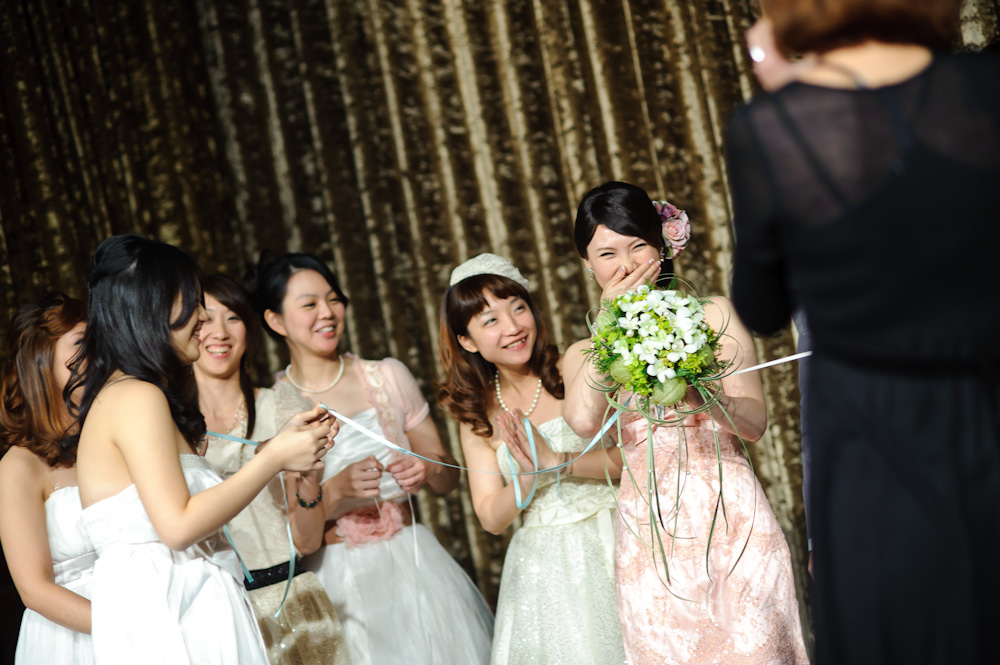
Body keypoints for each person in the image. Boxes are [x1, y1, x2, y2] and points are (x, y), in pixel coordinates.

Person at [728, 2, 1000, 663]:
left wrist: (780, 89)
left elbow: (761, 307)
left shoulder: (773, 127)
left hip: (869, 435)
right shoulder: (985, 87)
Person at [557, 182, 809, 664]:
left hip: (732, 516)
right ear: (587, 265)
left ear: (663, 244)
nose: (625, 266)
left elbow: (754, 424)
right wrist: (609, 324)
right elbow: (585, 422)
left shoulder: (714, 314)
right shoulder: (583, 352)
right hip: (649, 529)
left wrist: (700, 391)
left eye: (637, 246)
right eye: (606, 254)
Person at [72, 235, 333, 664]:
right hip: (172, 615)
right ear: (153, 306)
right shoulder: (135, 397)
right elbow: (178, 526)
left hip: (189, 604)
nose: (202, 317)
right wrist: (273, 459)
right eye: (192, 302)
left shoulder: (132, 394)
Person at [253, 252, 493, 665]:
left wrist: (428, 467)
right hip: (336, 579)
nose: (327, 313)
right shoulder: (271, 409)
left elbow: (447, 477)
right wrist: (336, 491)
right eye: (309, 304)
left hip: (414, 562)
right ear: (276, 321)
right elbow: (289, 535)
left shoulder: (386, 376)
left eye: (333, 299)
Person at [437, 253, 625, 664]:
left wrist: (558, 459)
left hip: (615, 534)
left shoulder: (575, 366)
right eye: (491, 320)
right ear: (467, 341)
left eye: (518, 308)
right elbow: (491, 517)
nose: (513, 327)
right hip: (545, 566)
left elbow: (632, 459)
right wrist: (526, 477)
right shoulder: (477, 414)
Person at [194, 274, 351, 665]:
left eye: (233, 318)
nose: (220, 332)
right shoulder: (170, 425)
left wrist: (311, 479)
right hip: (223, 611)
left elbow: (308, 542)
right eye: (206, 319)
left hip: (296, 599)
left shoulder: (282, 405)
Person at [0, 293, 92, 664]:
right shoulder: (19, 466)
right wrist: (128, 627)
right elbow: (34, 589)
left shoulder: (107, 442)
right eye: (82, 344)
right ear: (41, 361)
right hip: (75, 639)